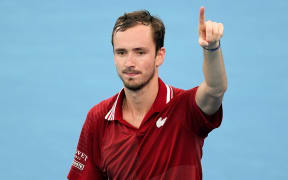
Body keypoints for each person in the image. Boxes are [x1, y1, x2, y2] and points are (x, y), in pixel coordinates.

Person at [67, 6, 227, 180]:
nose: (129, 62)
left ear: (159, 56)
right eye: (121, 52)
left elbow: (215, 89)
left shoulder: (185, 108)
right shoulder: (98, 118)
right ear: (114, 57)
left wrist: (211, 49)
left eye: (140, 52)